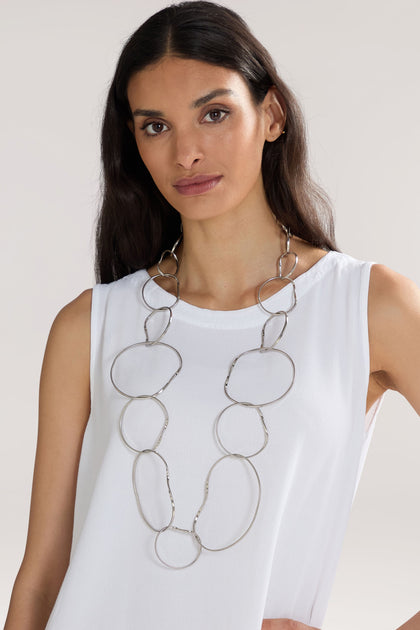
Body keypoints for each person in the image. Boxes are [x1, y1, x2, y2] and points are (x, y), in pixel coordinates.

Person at [4, 2, 420, 629]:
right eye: (155, 127)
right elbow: (40, 578)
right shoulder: (90, 324)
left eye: (215, 113)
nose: (187, 152)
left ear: (272, 115)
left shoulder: (366, 306)